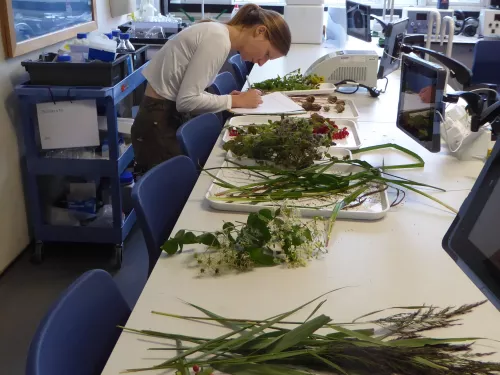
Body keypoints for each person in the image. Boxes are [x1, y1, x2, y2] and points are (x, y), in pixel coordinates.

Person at [131, 4, 292, 173]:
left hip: (162, 114)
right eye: (267, 54)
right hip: (157, 122)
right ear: (260, 31)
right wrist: (234, 100)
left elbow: (189, 91)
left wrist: (231, 100)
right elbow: (186, 101)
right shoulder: (217, 40)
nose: (261, 62)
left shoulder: (219, 34)